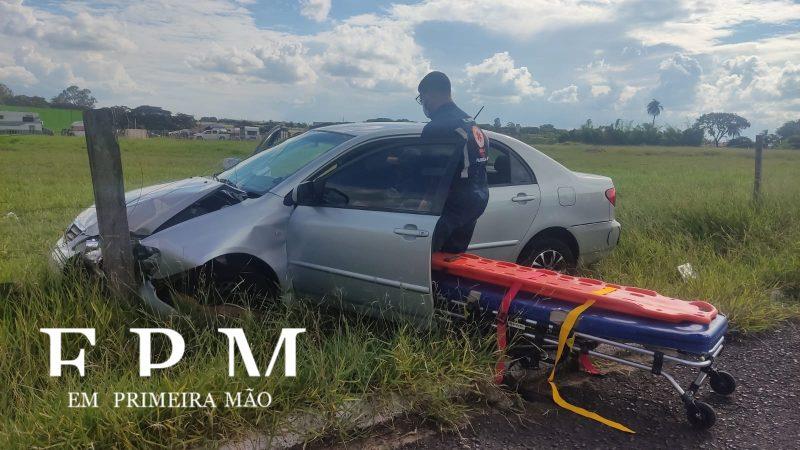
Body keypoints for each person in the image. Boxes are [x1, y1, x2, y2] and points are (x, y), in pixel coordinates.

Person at [416, 71, 489, 254]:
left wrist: (420, 201)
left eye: (421, 98)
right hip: (475, 199)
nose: (423, 104)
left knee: (426, 261)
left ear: (429, 94)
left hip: (450, 205)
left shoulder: (437, 127)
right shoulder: (469, 121)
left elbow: (428, 173)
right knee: (453, 261)